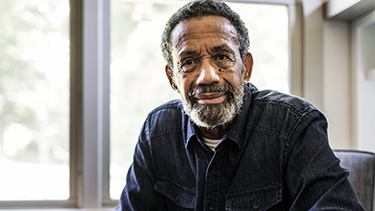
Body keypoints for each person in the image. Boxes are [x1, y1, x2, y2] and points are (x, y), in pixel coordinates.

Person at [116, 0, 364, 210]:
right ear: (173, 79)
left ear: (246, 69)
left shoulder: (294, 124)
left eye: (222, 57)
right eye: (189, 62)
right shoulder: (157, 130)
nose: (207, 77)